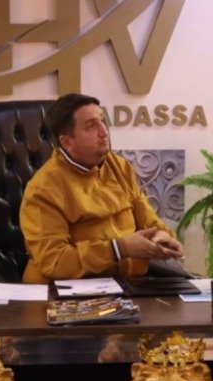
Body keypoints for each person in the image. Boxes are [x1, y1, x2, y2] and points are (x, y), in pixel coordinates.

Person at [20, 93, 184, 283]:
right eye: (91, 126)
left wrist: (160, 236)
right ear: (67, 143)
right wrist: (118, 249)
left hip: (127, 285)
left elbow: (147, 218)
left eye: (103, 121)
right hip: (63, 291)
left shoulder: (120, 166)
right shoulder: (43, 189)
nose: (104, 132)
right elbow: (54, 261)